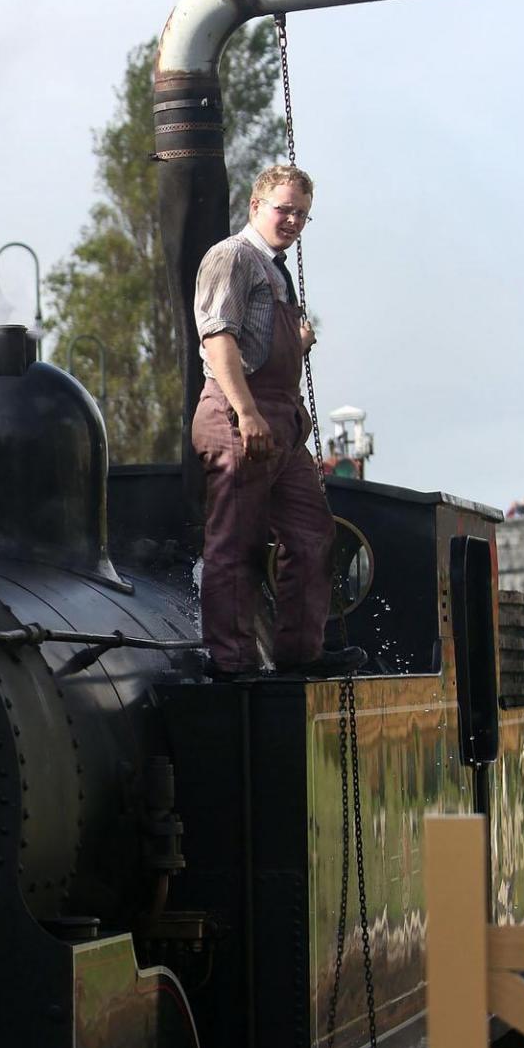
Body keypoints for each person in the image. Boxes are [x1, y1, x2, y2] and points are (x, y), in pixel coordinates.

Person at [191, 162, 363, 680]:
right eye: (284, 209)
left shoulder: (275, 269)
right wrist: (246, 413)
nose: (291, 220)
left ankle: (299, 653)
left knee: (312, 534)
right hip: (238, 414)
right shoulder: (232, 257)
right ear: (255, 206)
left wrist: (298, 347)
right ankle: (233, 661)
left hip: (280, 423)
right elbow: (217, 337)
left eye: (302, 214)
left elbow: (256, 340)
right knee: (235, 542)